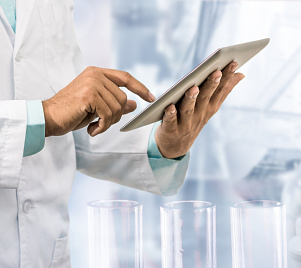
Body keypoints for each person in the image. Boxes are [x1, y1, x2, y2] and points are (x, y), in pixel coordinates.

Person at [0, 0, 244, 267]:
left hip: (46, 253)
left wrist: (162, 144)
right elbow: (53, 115)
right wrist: (45, 116)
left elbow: (71, 126)